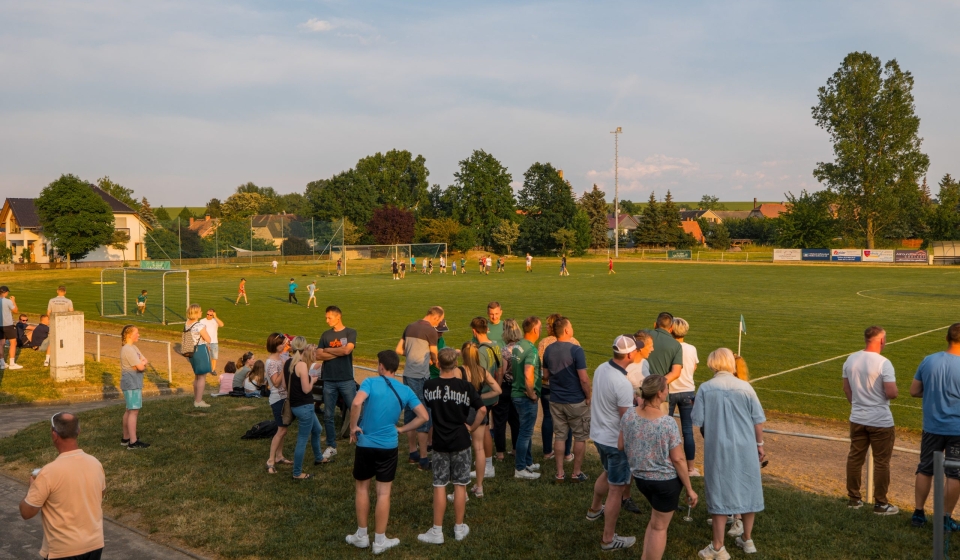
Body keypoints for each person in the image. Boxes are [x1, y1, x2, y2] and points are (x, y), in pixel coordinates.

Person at [346, 350, 429, 554]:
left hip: (365, 444)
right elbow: (424, 416)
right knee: (384, 493)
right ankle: (380, 541)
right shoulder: (405, 390)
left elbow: (356, 402)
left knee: (362, 488)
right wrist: (401, 429)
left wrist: (353, 427)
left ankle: (362, 535)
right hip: (388, 446)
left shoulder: (370, 382)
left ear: (381, 366)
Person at [692, 348, 766, 558]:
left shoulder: (706, 388)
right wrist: (759, 444)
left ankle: (718, 546)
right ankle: (747, 538)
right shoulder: (745, 387)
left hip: (718, 447)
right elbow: (757, 420)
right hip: (745, 446)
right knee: (748, 487)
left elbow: (697, 420)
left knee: (719, 489)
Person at [620, 375, 698, 560]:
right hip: (665, 483)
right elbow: (678, 459)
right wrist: (689, 488)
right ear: (659, 393)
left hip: (641, 479)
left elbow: (620, 445)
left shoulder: (629, 414)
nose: (668, 392)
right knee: (659, 528)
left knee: (655, 523)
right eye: (666, 389)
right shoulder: (667, 423)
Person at [418, 348, 486, 545]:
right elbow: (482, 409)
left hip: (440, 441)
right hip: (461, 440)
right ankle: (458, 528)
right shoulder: (465, 386)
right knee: (460, 485)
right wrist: (472, 427)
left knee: (439, 485)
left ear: (438, 364)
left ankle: (437, 531)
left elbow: (431, 406)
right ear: (456, 365)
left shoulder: (429, 385)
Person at [20, 412, 105, 560]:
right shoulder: (95, 463)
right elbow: (100, 495)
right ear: (78, 431)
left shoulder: (48, 473)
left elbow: (27, 512)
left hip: (64, 550)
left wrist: (32, 489)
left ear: (54, 434)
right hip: (95, 544)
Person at [586, 335, 638, 551]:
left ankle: (594, 509)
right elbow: (627, 421)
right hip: (615, 442)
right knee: (616, 490)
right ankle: (608, 539)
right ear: (629, 354)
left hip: (599, 436)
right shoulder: (622, 383)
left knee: (607, 473)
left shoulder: (601, 368)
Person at [842, 325, 898, 514]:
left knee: (855, 458)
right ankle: (881, 503)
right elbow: (891, 392)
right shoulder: (884, 363)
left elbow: (847, 389)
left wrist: (858, 404)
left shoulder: (850, 359)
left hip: (857, 417)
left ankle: (854, 499)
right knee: (882, 462)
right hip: (880, 420)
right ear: (881, 340)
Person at [909, 322, 960, 531]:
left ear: (946, 338)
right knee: (955, 473)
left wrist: (932, 394)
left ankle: (918, 513)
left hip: (932, 427)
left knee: (925, 468)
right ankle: (945, 518)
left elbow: (914, 391)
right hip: (957, 429)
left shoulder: (928, 360)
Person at [542, 316, 590, 482]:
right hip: (575, 400)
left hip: (556, 399)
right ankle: (576, 473)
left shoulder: (548, 349)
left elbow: (546, 375)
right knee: (580, 436)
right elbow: (584, 379)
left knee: (560, 436)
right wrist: (589, 396)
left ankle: (560, 473)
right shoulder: (576, 350)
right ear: (567, 330)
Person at [397, 307, 444, 470]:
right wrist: (434, 361)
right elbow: (434, 355)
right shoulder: (430, 330)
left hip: (407, 374)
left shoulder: (409, 326)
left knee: (410, 412)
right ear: (436, 318)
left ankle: (413, 453)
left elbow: (399, 350)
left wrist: (412, 354)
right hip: (420, 376)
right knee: (424, 414)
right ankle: (424, 459)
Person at [455, 342, 501, 498]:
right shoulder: (482, 371)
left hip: (462, 412)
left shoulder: (459, 371)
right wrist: (480, 397)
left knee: (461, 451)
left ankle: (461, 490)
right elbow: (497, 390)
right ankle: (479, 487)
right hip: (478, 412)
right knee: (479, 449)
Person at [316, 306, 358, 461]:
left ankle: (360, 438)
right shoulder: (325, 335)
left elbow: (347, 351)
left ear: (338, 317)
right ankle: (331, 445)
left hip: (346, 379)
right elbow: (318, 354)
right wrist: (339, 351)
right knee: (328, 415)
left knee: (355, 409)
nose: (327, 320)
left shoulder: (350, 332)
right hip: (329, 380)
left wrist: (328, 350)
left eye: (329, 317)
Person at [538, 314, 578, 461]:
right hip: (568, 387)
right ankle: (567, 453)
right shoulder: (573, 342)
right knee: (567, 419)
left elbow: (541, 367)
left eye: (548, 325)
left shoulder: (544, 343)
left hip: (548, 386)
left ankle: (548, 451)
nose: (547, 327)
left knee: (548, 417)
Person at [471, 318, 505, 481]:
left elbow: (480, 376)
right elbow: (499, 370)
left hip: (483, 395)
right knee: (486, 429)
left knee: (482, 431)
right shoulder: (495, 346)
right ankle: (486, 464)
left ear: (474, 331)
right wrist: (496, 391)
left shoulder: (481, 351)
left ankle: (487, 466)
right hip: (492, 393)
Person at [284, 337, 322, 480]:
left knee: (317, 430)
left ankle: (319, 457)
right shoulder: (301, 365)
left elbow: (284, 385)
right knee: (302, 439)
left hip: (295, 405)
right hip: (304, 406)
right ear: (304, 349)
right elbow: (306, 389)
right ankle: (297, 472)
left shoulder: (287, 362)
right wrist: (312, 380)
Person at [512, 316, 542, 479]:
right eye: (540, 327)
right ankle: (520, 468)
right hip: (525, 396)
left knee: (526, 431)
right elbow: (528, 372)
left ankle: (528, 462)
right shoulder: (531, 350)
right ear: (535, 330)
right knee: (525, 432)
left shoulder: (518, 345)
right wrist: (531, 393)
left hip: (516, 393)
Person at [670, 317, 700, 476]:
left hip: (669, 392)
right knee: (688, 431)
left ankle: (667, 464)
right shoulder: (691, 348)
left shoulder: (669, 347)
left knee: (665, 429)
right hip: (687, 390)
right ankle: (690, 468)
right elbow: (693, 367)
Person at [493, 318, 521, 461]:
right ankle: (516, 449)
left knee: (499, 421)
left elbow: (501, 372)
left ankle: (500, 453)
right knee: (515, 420)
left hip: (505, 387)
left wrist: (497, 388)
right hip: (518, 388)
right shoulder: (523, 349)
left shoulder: (505, 351)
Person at [266, 333, 293, 473]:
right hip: (278, 399)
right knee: (281, 430)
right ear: (276, 346)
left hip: (284, 398)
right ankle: (270, 460)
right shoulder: (271, 362)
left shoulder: (281, 358)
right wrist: (284, 367)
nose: (285, 346)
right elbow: (276, 383)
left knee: (284, 430)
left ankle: (279, 455)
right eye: (282, 344)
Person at [120, 325, 150, 449]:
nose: (139, 335)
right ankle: (133, 442)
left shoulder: (134, 348)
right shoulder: (128, 349)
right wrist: (140, 365)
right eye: (137, 333)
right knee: (133, 411)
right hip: (131, 383)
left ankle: (126, 438)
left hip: (135, 382)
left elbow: (144, 361)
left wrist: (140, 364)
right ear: (129, 335)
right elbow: (141, 367)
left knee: (129, 410)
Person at [184, 304, 212, 407]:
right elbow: (208, 339)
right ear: (196, 313)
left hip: (190, 350)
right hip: (199, 350)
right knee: (202, 376)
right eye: (200, 311)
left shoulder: (187, 324)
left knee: (197, 376)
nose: (201, 313)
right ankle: (198, 401)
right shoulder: (199, 326)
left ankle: (197, 398)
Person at [0, 286, 22, 370]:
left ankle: (2, 363)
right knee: (13, 342)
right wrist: (13, 301)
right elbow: (15, 310)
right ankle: (12, 363)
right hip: (8, 325)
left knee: (1, 344)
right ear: (5, 292)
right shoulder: (8, 301)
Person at [200, 308, 224, 374]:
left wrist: (216, 317)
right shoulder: (202, 321)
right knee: (204, 356)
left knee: (214, 357)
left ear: (213, 315)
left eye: (210, 315)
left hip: (214, 342)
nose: (208, 316)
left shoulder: (215, 320)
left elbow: (222, 324)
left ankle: (213, 370)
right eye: (207, 314)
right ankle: (204, 368)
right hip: (204, 342)